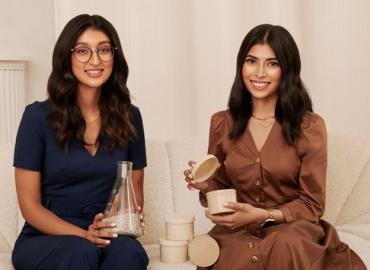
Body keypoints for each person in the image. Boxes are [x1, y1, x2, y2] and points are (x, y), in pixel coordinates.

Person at [184, 24, 366, 270]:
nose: (259, 73)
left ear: (287, 70)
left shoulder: (309, 126)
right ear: (241, 65)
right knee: (230, 255)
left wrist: (263, 215)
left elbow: (312, 204)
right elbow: (223, 190)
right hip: (238, 231)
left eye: (272, 63)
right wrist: (206, 186)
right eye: (252, 61)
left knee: (283, 244)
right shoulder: (221, 123)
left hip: (294, 229)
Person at [12, 14, 148, 270]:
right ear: (67, 57)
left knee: (129, 253)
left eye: (104, 50)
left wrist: (117, 222)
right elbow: (29, 206)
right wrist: (85, 234)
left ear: (114, 56)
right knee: (80, 251)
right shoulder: (37, 118)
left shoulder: (131, 117)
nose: (95, 60)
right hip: (47, 236)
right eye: (83, 51)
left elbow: (133, 194)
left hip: (106, 230)